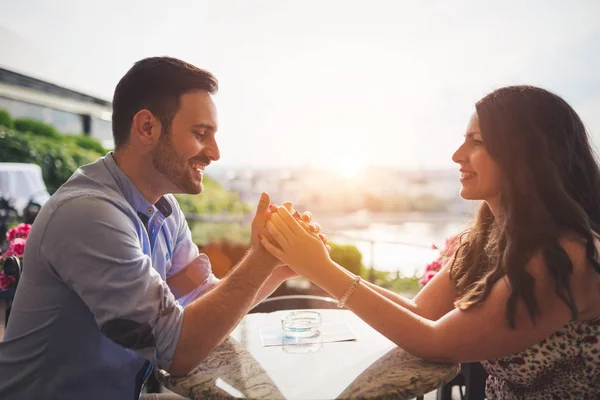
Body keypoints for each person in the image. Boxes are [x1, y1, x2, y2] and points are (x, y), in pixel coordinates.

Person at [0, 57, 325, 400]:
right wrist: (258, 261)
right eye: (201, 134)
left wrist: (274, 265)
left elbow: (203, 302)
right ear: (147, 128)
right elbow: (179, 350)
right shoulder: (89, 214)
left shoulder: (163, 208)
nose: (214, 153)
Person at [261, 86, 600, 399]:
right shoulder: (487, 240)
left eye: (476, 142)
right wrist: (321, 265)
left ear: (525, 155)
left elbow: (435, 342)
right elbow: (421, 312)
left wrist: (319, 269)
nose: (457, 154)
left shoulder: (564, 258)